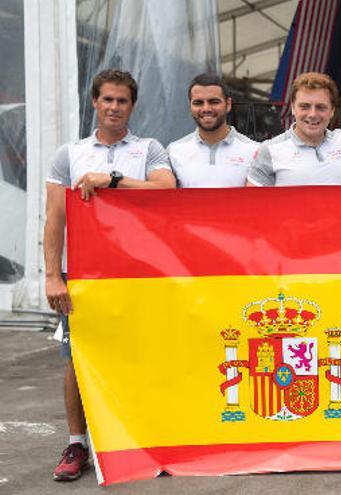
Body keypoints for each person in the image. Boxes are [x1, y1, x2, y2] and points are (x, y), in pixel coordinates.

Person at [44, 69, 175, 481]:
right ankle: (77, 444)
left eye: (122, 101)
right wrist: (52, 275)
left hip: (138, 273)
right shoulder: (69, 154)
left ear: (132, 106)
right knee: (76, 359)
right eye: (108, 100)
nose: (115, 107)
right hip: (85, 274)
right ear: (95, 103)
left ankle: (138, 438)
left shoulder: (150, 148)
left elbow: (167, 190)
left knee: (141, 352)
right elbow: (54, 219)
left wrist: (112, 180)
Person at [247, 72, 341, 186]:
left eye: (320, 107)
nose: (312, 114)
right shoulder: (269, 150)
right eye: (304, 106)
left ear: (332, 111)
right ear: (293, 108)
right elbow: (253, 201)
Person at [167, 73, 258, 187]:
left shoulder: (254, 151)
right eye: (198, 103)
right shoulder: (174, 151)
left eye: (214, 102)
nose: (206, 109)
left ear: (228, 104)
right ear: (190, 106)